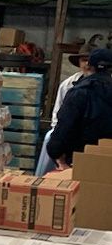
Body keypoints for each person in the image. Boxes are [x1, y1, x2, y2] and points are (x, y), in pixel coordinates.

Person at [47, 47, 112, 169]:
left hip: (80, 159)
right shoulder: (71, 85)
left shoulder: (79, 92)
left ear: (91, 65)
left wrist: (56, 152)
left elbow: (65, 124)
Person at [35, 47, 91, 176]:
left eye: (90, 61)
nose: (87, 64)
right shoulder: (68, 84)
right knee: (50, 138)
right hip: (71, 129)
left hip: (93, 132)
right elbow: (57, 112)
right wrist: (58, 131)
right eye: (84, 60)